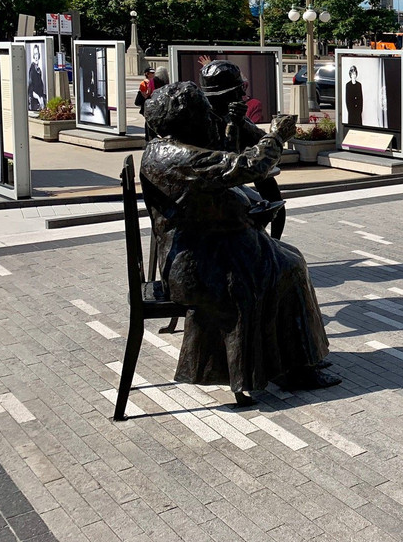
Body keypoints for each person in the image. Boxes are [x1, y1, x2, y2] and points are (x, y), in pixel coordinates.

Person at [140, 82, 339, 403]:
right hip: (199, 266)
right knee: (288, 267)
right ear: (189, 119)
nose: (210, 118)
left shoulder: (165, 149)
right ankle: (297, 366)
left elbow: (220, 171)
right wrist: (277, 136)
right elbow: (247, 166)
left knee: (288, 258)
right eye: (204, 113)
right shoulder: (178, 157)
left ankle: (294, 360)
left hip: (207, 248)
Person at [200, 61, 285, 240]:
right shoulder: (202, 122)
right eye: (238, 90)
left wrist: (241, 123)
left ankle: (273, 243)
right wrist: (233, 125)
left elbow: (262, 141)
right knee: (251, 209)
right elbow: (224, 163)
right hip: (213, 189)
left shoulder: (232, 114)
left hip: (239, 173)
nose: (242, 95)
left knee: (275, 201)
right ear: (223, 95)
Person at [27, 45, 45, 111]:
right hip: (34, 100)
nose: (36, 56)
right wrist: (38, 98)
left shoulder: (38, 69)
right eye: (35, 54)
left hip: (39, 96)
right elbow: (31, 87)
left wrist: (41, 97)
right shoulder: (32, 68)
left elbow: (40, 85)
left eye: (37, 53)